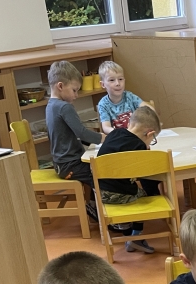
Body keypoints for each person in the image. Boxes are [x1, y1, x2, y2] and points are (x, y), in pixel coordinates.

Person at [96, 105, 163, 254]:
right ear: (149, 133)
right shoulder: (138, 146)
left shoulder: (114, 133)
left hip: (100, 193)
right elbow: (144, 173)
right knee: (146, 196)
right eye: (152, 139)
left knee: (126, 188)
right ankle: (135, 237)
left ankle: (127, 234)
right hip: (121, 196)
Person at [46, 60, 104, 220]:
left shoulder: (51, 105)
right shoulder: (64, 107)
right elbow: (81, 133)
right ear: (60, 86)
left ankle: (93, 205)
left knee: (95, 169)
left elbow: (72, 134)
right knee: (101, 172)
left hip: (61, 164)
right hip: (70, 165)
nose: (76, 96)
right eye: (74, 90)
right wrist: (103, 138)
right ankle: (101, 212)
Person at [96, 60, 145, 133]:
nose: (117, 83)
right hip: (119, 137)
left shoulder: (130, 96)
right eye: (112, 80)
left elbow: (146, 108)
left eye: (120, 79)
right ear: (103, 84)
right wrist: (120, 133)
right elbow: (106, 127)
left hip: (135, 135)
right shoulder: (103, 104)